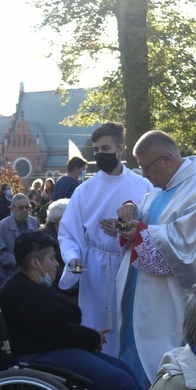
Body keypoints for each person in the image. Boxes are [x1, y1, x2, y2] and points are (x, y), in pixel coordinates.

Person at [115, 131, 196, 390]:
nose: (145, 176)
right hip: (148, 297)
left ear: (166, 159)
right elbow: (148, 212)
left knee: (170, 364)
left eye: (146, 168)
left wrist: (140, 232)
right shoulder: (163, 187)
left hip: (173, 299)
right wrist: (131, 210)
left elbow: (192, 247)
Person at [0, 232, 144, 390]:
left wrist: (89, 337)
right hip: (36, 354)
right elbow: (58, 331)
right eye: (52, 258)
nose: (57, 263)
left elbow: (66, 318)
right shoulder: (25, 292)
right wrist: (93, 338)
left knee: (126, 371)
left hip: (47, 348)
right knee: (121, 382)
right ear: (35, 263)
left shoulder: (30, 287)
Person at [58, 122, 152, 356]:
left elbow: (155, 224)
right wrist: (73, 258)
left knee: (129, 324)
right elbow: (68, 231)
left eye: (105, 148)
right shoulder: (84, 190)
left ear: (121, 149)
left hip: (129, 264)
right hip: (95, 269)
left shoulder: (143, 186)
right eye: (96, 150)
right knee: (96, 324)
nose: (100, 154)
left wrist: (128, 229)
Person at [0, 193, 39, 286]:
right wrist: (16, 260)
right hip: (9, 276)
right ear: (12, 209)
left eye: (27, 207)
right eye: (20, 208)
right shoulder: (3, 225)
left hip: (31, 276)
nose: (24, 210)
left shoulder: (34, 223)